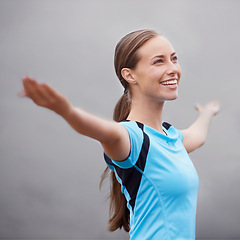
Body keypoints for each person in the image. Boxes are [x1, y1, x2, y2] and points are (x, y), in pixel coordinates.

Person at [20, 29, 220, 240]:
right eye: (159, 62)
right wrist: (67, 111)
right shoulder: (131, 139)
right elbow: (103, 131)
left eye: (174, 59)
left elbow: (198, 135)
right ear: (129, 75)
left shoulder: (172, 138)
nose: (173, 69)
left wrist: (207, 112)